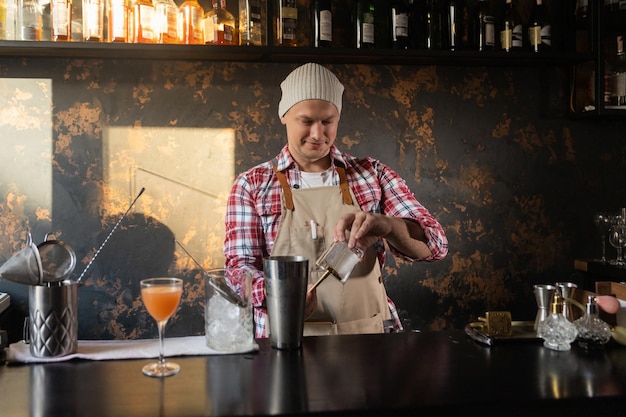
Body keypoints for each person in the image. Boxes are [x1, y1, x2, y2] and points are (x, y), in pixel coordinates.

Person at [224, 62, 448, 338]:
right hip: (286, 341)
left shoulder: (372, 175)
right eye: (306, 121)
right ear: (284, 115)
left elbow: (435, 246)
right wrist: (280, 294)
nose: (318, 134)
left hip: (368, 340)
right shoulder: (252, 185)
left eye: (328, 121)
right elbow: (238, 272)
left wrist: (388, 226)